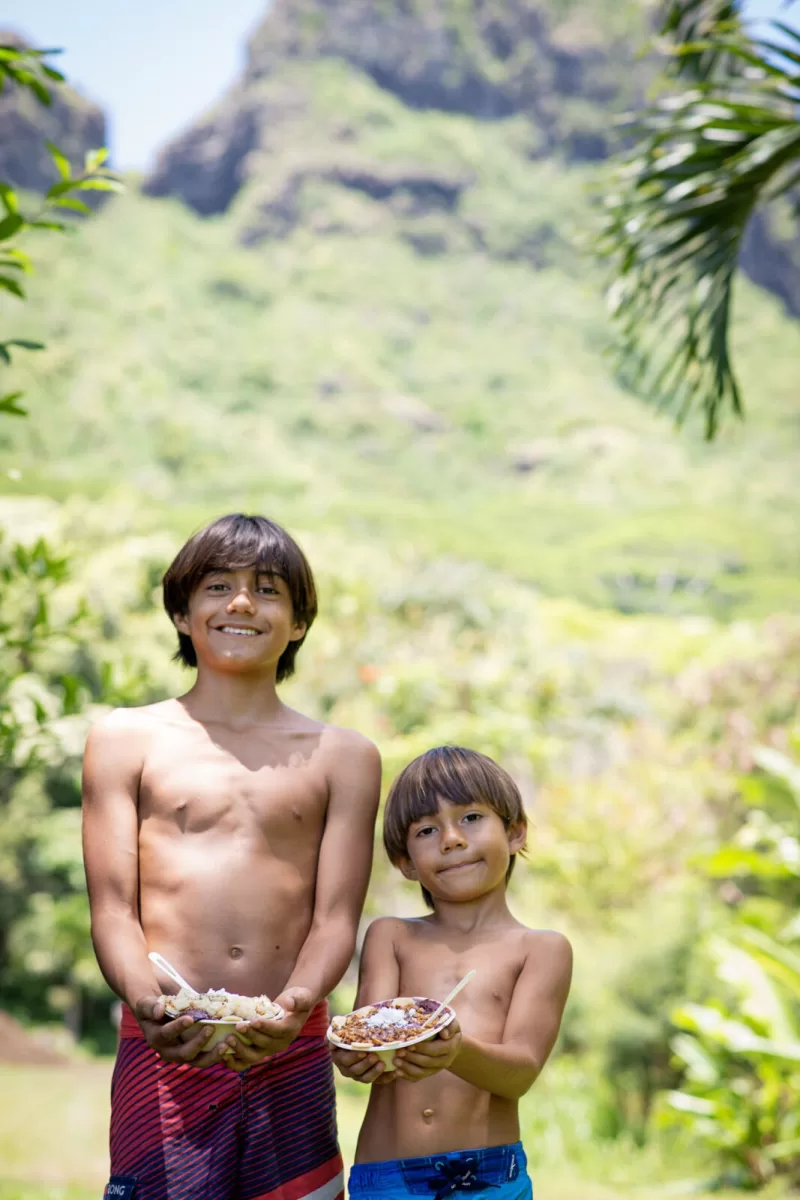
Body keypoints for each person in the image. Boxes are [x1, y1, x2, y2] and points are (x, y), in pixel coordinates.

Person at [82, 513, 381, 1200]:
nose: (241, 603)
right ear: (184, 612)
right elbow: (113, 911)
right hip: (168, 1040)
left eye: (267, 589)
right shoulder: (127, 738)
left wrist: (295, 1006)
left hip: (290, 1040)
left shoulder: (345, 756)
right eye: (218, 586)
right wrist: (146, 1003)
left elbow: (336, 917)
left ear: (300, 621)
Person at [332, 746, 572, 1200]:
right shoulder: (391, 937)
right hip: (388, 1177)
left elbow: (520, 1073)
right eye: (426, 829)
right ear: (406, 863)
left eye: (471, 819)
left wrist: (453, 1050)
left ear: (516, 832)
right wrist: (353, 1059)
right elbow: (368, 1045)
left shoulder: (540, 949)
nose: (451, 839)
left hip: (489, 1177)